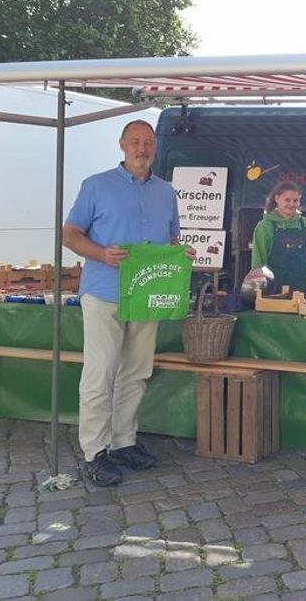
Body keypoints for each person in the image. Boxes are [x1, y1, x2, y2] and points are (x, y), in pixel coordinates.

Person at [63, 119, 194, 487]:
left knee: (136, 373)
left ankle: (123, 443)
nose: (142, 148)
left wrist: (179, 252)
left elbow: (169, 239)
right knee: (100, 374)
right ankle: (94, 452)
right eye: (135, 141)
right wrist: (101, 253)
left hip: (146, 296)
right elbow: (70, 234)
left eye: (148, 142)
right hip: (104, 291)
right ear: (122, 145)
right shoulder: (96, 185)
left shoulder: (166, 192)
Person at [251, 181, 306, 295]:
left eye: (295, 200)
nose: (291, 204)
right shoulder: (264, 227)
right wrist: (261, 293)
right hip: (272, 294)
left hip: (303, 293)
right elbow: (258, 264)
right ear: (277, 198)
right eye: (287, 200)